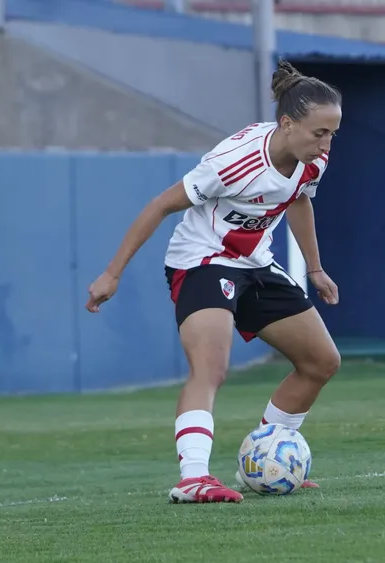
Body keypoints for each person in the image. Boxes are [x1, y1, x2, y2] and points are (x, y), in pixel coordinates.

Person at [84, 60, 343, 504]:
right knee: (210, 368)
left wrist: (315, 268)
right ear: (287, 123)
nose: (326, 144)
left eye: (333, 134)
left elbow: (298, 199)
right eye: (319, 132)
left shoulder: (312, 160)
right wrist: (112, 273)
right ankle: (193, 478)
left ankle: (265, 460)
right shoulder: (234, 162)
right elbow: (160, 205)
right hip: (201, 261)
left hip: (255, 264)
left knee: (321, 361)